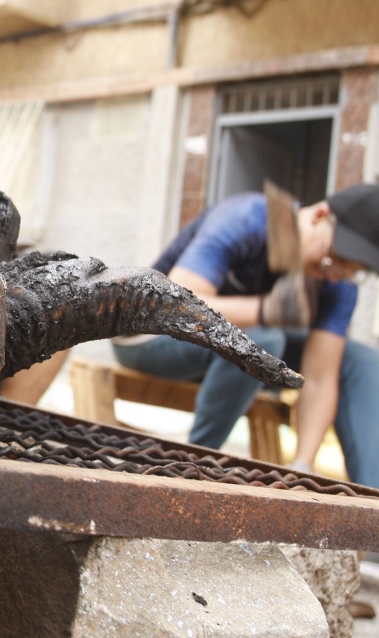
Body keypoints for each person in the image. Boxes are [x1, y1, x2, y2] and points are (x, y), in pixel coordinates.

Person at [111, 184, 379, 487]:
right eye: (332, 258)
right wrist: (265, 310)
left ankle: (373, 496)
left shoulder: (338, 284)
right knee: (263, 341)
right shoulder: (244, 219)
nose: (334, 274)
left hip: (237, 358)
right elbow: (174, 305)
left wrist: (302, 465)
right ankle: (194, 459)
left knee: (362, 361)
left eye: (350, 270)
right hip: (151, 336)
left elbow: (319, 378)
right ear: (319, 215)